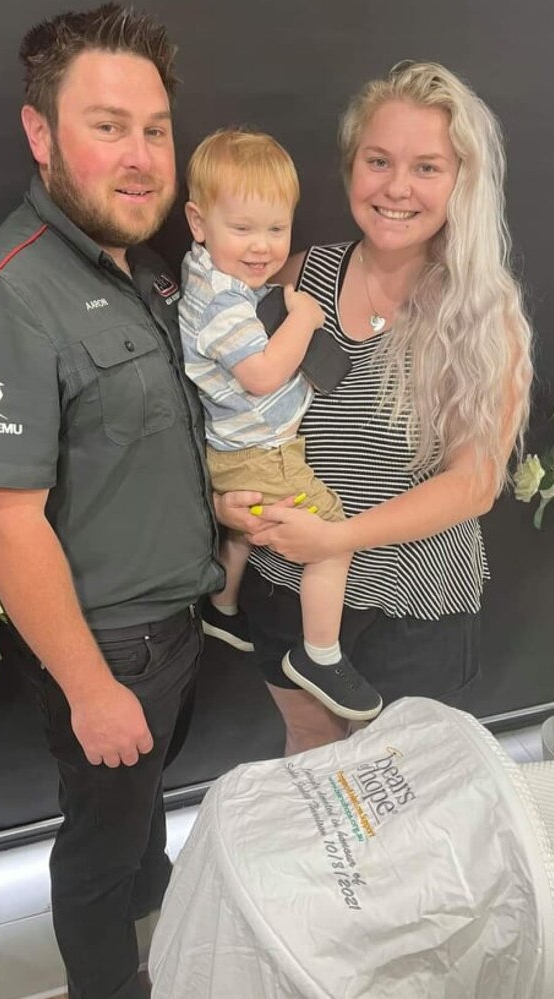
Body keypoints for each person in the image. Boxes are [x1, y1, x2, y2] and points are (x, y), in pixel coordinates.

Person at [0, 6, 224, 998]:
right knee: (96, 849)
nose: (141, 158)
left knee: (138, 815)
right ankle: (107, 983)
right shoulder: (15, 292)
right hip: (109, 649)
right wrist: (91, 690)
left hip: (176, 629)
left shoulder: (145, 256)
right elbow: (6, 519)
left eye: (154, 128)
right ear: (40, 134)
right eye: (106, 126)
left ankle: (154, 894)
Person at [214, 61, 533, 756]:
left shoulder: (483, 313)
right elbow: (245, 417)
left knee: (397, 783)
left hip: (413, 606)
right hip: (287, 586)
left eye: (427, 167)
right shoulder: (300, 278)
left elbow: (475, 483)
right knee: (310, 750)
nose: (396, 187)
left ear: (461, 181)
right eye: (378, 160)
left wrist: (337, 539)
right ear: (350, 165)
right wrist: (231, 504)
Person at [180, 128, 382, 722]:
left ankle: (222, 605)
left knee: (243, 527)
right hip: (262, 452)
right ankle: (320, 653)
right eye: (242, 229)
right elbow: (264, 374)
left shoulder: (206, 277)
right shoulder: (223, 304)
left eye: (276, 229)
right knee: (330, 537)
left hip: (240, 449)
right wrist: (303, 318)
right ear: (198, 221)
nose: (263, 247)